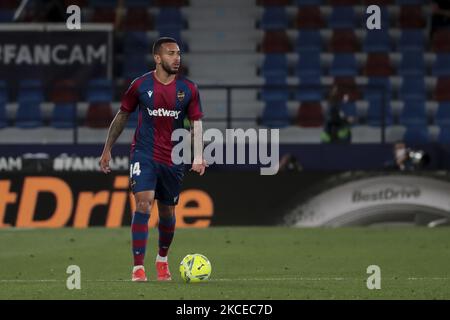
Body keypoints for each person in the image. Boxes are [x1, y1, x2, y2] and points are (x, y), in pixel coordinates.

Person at [99, 37, 207, 282]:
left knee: (167, 212)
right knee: (144, 203)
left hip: (173, 159)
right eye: (171, 53)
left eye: (178, 53)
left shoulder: (189, 89)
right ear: (158, 58)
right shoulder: (140, 85)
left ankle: (162, 260)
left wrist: (199, 156)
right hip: (144, 154)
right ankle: (138, 267)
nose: (177, 58)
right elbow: (122, 115)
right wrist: (107, 148)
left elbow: (196, 124)